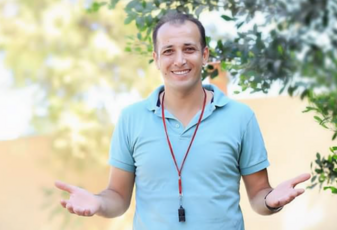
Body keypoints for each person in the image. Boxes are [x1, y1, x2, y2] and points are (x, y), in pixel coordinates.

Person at [55, 12, 311, 230]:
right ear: (156, 59)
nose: (179, 60)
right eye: (168, 51)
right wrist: (99, 203)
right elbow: (118, 197)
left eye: (189, 49)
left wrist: (270, 201)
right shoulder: (131, 118)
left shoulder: (240, 117)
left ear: (205, 55)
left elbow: (258, 195)